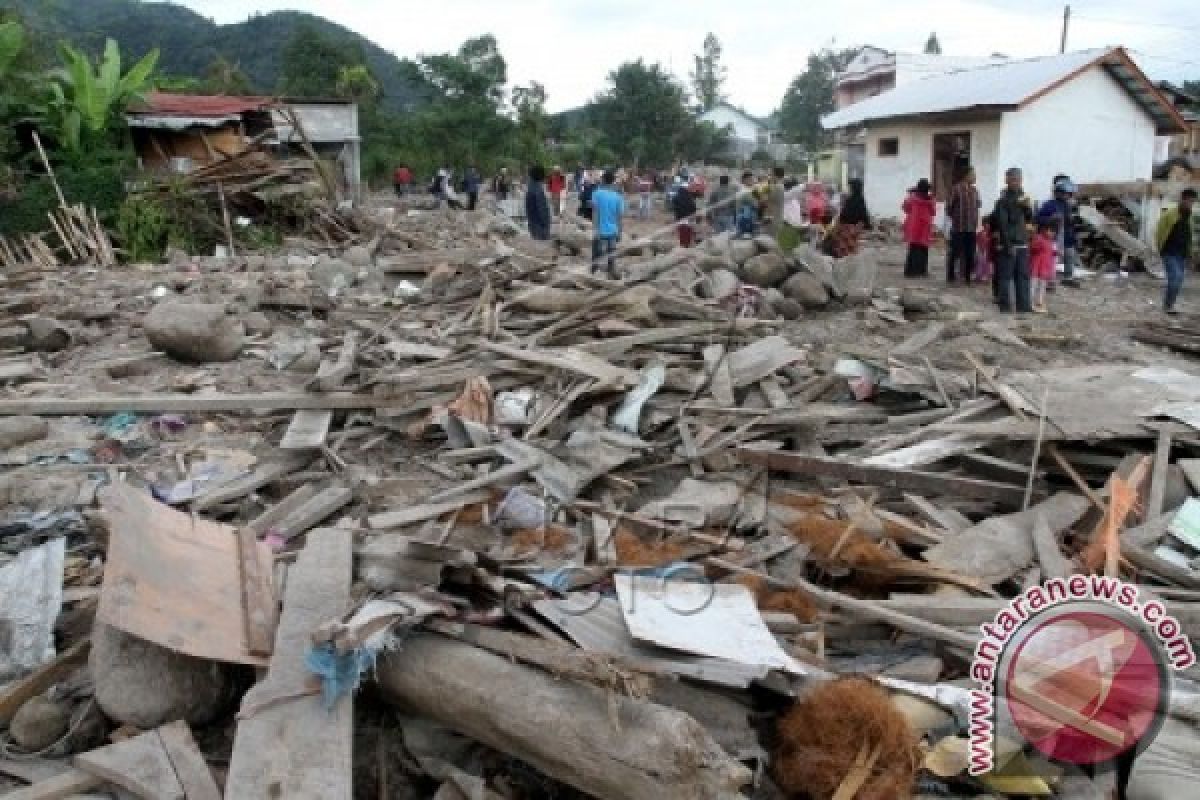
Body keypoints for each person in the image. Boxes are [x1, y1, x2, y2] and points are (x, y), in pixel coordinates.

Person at [992, 167, 1034, 313]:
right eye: (1013, 179)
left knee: (1023, 276)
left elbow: (1029, 220)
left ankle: (1024, 306)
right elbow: (1003, 225)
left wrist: (1027, 208)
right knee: (1005, 276)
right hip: (1008, 243)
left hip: (1022, 243)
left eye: (1019, 179)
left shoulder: (1024, 198)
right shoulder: (1002, 202)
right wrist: (1007, 245)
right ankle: (1004, 306)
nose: (1017, 182)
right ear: (1007, 180)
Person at [1157, 188, 1196, 315]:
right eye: (1189, 201)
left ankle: (1169, 305)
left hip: (1182, 254)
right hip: (1169, 253)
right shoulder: (1169, 215)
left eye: (1192, 202)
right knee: (1175, 279)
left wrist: (1190, 253)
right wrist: (1161, 249)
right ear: (1182, 199)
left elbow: (1189, 235)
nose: (1190, 204)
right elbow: (1159, 233)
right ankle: (1168, 306)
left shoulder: (1189, 216)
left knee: (1178, 281)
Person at [1037, 177, 1079, 289]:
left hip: (1067, 237)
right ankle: (1049, 281)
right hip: (1054, 237)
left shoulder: (1068, 206)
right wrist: (1050, 219)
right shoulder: (1049, 205)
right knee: (1052, 259)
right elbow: (1038, 218)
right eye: (1066, 193)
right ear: (1059, 193)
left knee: (1070, 256)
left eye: (1069, 194)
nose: (1068, 196)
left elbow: (1070, 222)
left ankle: (1068, 278)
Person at [945, 167, 981, 284]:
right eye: (973, 174)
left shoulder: (975, 191)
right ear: (966, 175)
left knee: (970, 253)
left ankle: (967, 277)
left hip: (971, 228)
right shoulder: (956, 189)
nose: (975, 177)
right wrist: (956, 218)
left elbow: (978, 206)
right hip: (958, 227)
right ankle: (951, 276)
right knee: (955, 252)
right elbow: (948, 208)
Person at [825, 178, 871, 258]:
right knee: (850, 245)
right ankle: (850, 260)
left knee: (843, 245)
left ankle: (844, 260)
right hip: (855, 228)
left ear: (853, 188)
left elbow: (844, 215)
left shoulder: (851, 200)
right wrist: (867, 225)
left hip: (847, 228)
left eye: (850, 187)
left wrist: (837, 224)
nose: (849, 189)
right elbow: (864, 215)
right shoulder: (860, 199)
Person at [591, 170, 625, 277]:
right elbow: (619, 217)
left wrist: (595, 229)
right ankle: (611, 272)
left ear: (603, 180)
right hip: (613, 230)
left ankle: (594, 273)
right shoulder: (618, 196)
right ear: (613, 181)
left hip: (600, 230)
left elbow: (595, 213)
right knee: (611, 256)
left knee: (596, 255)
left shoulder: (596, 193)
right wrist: (620, 232)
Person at [902, 179, 937, 278]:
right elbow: (933, 212)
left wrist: (909, 195)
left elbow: (905, 208)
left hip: (914, 227)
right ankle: (921, 271)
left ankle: (910, 271)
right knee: (923, 249)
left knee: (913, 249)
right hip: (925, 227)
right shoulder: (930, 201)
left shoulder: (912, 199)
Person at [1030, 220, 1056, 313]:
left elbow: (1050, 251)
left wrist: (1055, 253)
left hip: (1045, 267)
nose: (1051, 233)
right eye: (1050, 231)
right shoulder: (1038, 238)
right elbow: (1033, 248)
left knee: (1042, 285)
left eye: (1053, 232)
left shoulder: (1050, 241)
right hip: (1036, 265)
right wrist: (1038, 246)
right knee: (1033, 284)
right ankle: (1030, 301)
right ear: (1044, 230)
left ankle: (1040, 301)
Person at [525, 165, 551, 241]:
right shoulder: (537, 190)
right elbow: (542, 210)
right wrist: (546, 224)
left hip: (532, 224)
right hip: (540, 227)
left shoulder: (530, 188)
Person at [672, 180, 699, 248]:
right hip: (689, 218)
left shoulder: (676, 197)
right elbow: (693, 207)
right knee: (688, 234)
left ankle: (683, 247)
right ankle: (687, 247)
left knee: (682, 235)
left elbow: (675, 208)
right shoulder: (689, 197)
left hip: (680, 219)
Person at [735, 171, 759, 236]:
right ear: (744, 180)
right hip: (746, 221)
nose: (752, 181)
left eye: (752, 179)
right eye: (750, 179)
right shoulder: (745, 192)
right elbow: (756, 205)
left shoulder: (745, 190)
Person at [768, 166, 787, 240]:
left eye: (772, 174)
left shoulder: (777, 187)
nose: (771, 176)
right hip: (779, 215)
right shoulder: (781, 186)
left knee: (775, 239)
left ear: (775, 175)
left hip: (776, 217)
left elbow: (768, 199)